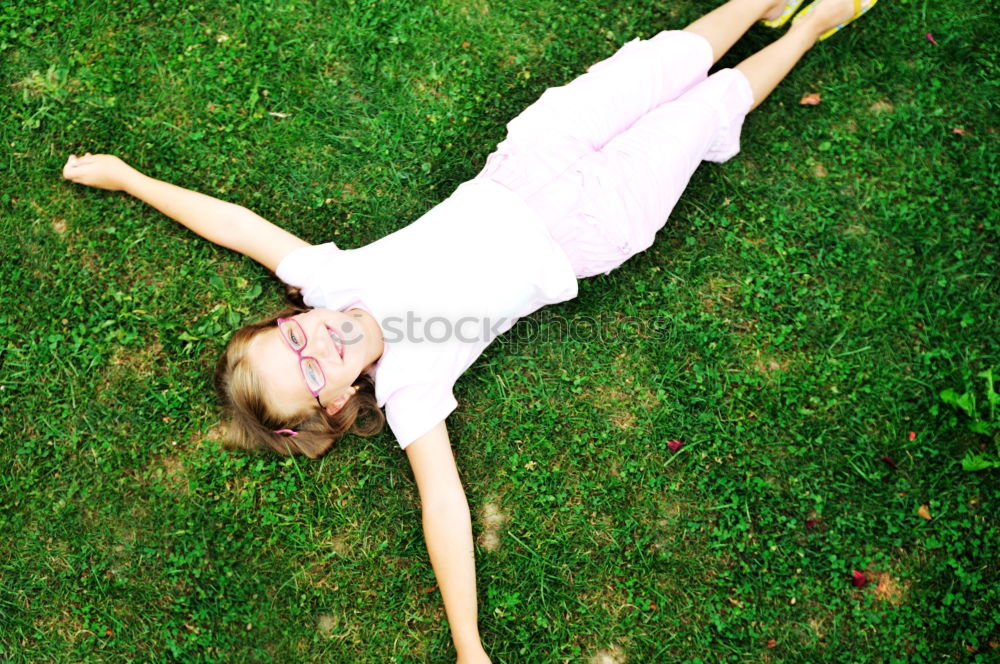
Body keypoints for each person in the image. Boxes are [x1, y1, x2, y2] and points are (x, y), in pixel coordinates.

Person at [61, 0, 877, 660]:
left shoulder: (333, 278)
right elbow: (443, 506)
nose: (319, 346)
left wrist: (129, 177)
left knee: (663, 61)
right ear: (339, 403)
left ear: (293, 312)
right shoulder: (411, 386)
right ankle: (808, 27)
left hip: (534, 153)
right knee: (706, 112)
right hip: (594, 224)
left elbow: (236, 226)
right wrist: (468, 645)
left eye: (293, 336)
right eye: (309, 373)